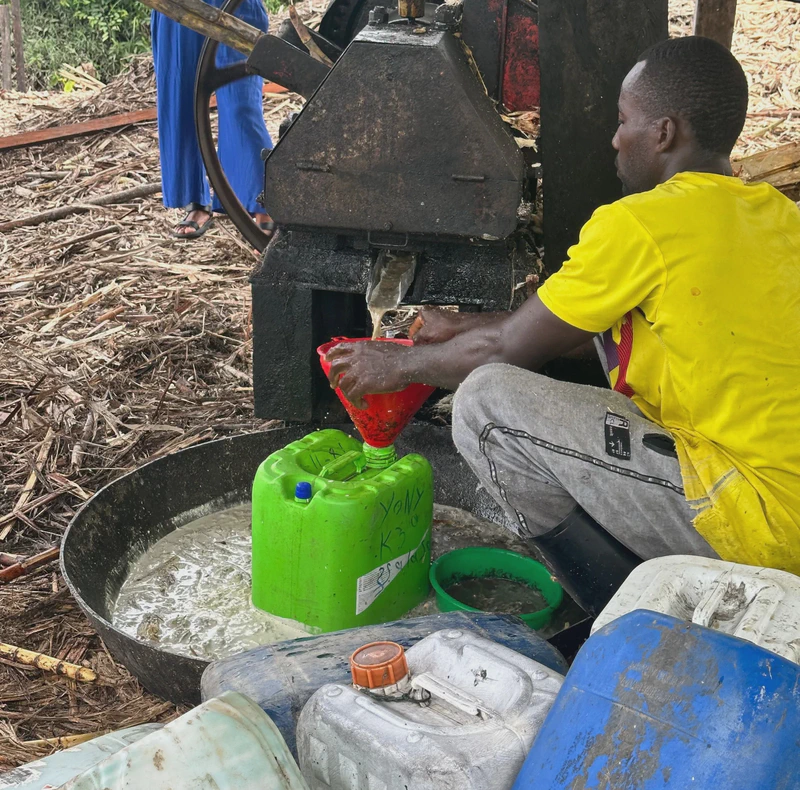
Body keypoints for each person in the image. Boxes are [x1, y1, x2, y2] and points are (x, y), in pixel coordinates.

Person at [324, 36, 800, 576]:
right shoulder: (778, 216)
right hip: (785, 493)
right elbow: (577, 326)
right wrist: (464, 325)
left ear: (663, 133)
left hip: (756, 520)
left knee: (485, 404)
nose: (616, 140)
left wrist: (398, 364)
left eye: (624, 122)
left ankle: (611, 599)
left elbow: (508, 349)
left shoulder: (642, 223)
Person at [151, 0, 273, 239]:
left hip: (233, 6)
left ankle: (262, 201)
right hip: (172, 7)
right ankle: (194, 201)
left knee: (241, 105)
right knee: (179, 102)